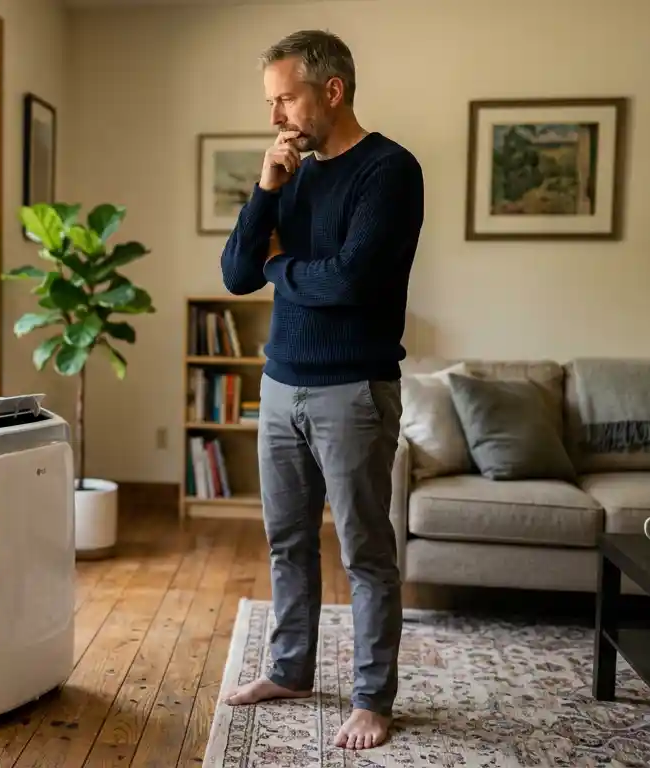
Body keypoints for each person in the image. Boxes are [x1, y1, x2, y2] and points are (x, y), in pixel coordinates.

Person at [217, 29, 424, 751]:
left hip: (354, 390)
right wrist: (266, 189)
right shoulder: (292, 175)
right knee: (287, 542)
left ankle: (372, 700)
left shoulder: (390, 171)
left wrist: (280, 268)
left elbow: (351, 281)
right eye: (270, 103)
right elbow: (236, 273)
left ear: (331, 91)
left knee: (365, 551)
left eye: (285, 99)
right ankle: (289, 671)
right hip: (280, 385)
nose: (276, 116)